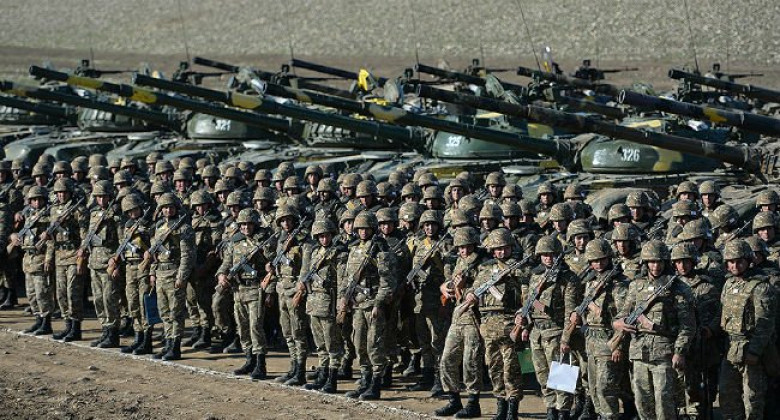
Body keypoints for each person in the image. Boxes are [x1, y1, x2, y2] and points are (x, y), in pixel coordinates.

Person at [613, 240, 694, 420]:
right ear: (645, 262)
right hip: (639, 351)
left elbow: (687, 325)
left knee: (664, 401)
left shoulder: (678, 288)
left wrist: (679, 351)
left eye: (659, 262)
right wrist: (619, 323)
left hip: (664, 352)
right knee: (642, 400)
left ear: (665, 262)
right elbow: (622, 313)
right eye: (651, 262)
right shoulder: (636, 285)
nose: (655, 266)